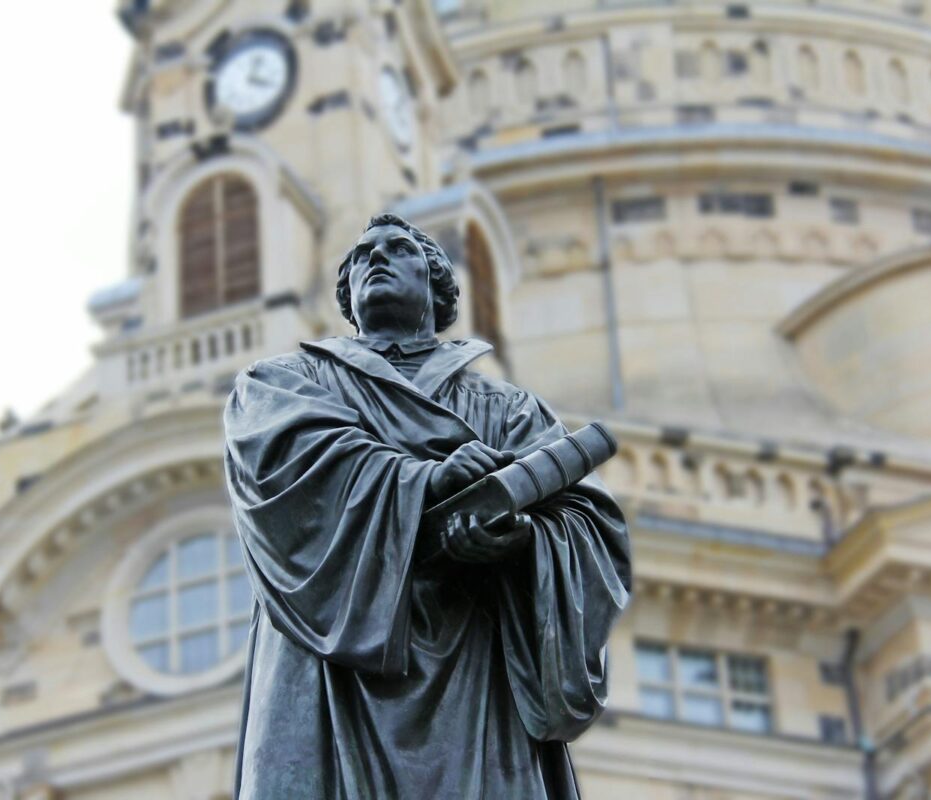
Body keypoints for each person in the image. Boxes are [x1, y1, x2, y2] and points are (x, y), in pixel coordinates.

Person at [224, 213, 632, 799]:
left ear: (437, 285)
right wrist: (425, 480)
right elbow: (286, 463)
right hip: (331, 669)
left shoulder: (508, 407)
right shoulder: (284, 382)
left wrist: (519, 539)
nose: (376, 260)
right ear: (348, 295)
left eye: (397, 250)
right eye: (362, 256)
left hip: (474, 665)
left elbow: (586, 521)